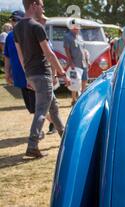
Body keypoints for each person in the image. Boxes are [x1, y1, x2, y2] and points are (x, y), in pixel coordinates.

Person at [14, 0, 70, 158]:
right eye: (41, 5)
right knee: (41, 111)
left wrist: (27, 76)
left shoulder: (17, 28)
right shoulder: (37, 26)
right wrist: (61, 72)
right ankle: (32, 146)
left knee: (53, 107)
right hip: (43, 73)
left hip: (32, 73)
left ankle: (64, 137)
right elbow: (49, 53)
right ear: (33, 5)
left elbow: (20, 56)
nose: (43, 8)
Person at [4, 10, 36, 115]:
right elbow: (7, 56)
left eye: (16, 20)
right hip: (19, 76)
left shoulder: (30, 33)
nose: (14, 22)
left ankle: (53, 122)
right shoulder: (9, 37)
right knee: (31, 108)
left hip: (32, 75)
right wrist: (7, 73)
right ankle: (53, 121)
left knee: (36, 106)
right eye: (13, 20)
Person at [64, 19, 89, 106]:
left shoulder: (80, 37)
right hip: (75, 63)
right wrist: (70, 62)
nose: (77, 28)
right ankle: (74, 99)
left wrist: (87, 60)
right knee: (75, 81)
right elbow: (67, 50)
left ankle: (82, 97)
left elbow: (84, 50)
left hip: (83, 63)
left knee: (84, 80)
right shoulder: (67, 37)